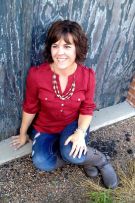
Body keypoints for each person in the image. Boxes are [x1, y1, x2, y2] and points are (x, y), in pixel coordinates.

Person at [11, 20, 118, 189]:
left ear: (77, 48)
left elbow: (87, 108)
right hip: (45, 127)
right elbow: (30, 107)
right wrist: (23, 134)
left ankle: (99, 160)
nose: (59, 52)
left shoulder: (88, 75)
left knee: (72, 154)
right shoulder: (36, 75)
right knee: (42, 162)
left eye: (67, 46)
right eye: (55, 46)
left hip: (73, 124)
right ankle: (82, 158)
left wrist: (80, 132)